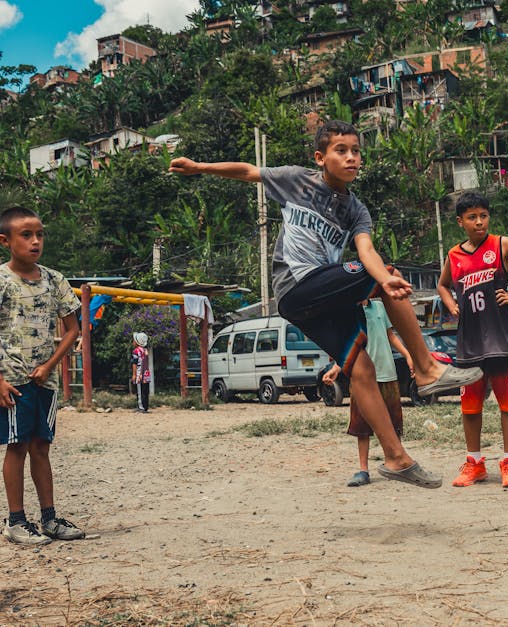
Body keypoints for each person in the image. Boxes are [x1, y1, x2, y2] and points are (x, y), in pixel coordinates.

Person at [169, 120, 482, 488]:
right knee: (380, 275)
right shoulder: (295, 180)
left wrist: (383, 279)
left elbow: (366, 250)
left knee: (362, 368)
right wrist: (199, 168)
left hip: (320, 301)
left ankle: (396, 458)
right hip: (295, 287)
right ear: (320, 158)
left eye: (356, 151)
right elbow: (248, 171)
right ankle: (427, 369)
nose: (351, 158)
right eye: (341, 150)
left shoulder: (356, 210)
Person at [437, 191, 508, 488]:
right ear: (461, 221)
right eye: (472, 217)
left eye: (483, 216)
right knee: (470, 406)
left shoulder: (502, 245)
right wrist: (449, 304)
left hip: (501, 340)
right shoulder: (454, 255)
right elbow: (442, 285)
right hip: (469, 343)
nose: (479, 222)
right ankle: (474, 464)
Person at [0, 206, 85, 545]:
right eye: (26, 235)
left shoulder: (54, 279)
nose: (35, 241)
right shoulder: (2, 280)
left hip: (44, 381)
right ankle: (16, 521)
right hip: (12, 381)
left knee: (41, 447)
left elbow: (72, 329)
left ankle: (49, 518)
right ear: (6, 241)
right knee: (17, 446)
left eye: (40, 234)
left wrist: (51, 365)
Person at [322, 299, 412, 487]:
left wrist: (408, 355)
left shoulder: (379, 306)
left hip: (387, 372)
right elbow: (348, 346)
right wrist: (336, 368)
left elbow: (391, 335)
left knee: (393, 422)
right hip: (362, 378)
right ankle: (363, 470)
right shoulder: (349, 311)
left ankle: (398, 464)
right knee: (361, 427)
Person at [130, 332, 151, 413]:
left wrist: (134, 375)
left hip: (139, 374)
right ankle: (146, 407)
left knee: (139, 391)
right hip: (146, 374)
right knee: (145, 391)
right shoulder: (145, 350)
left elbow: (134, 363)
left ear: (137, 342)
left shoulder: (136, 351)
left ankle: (141, 407)